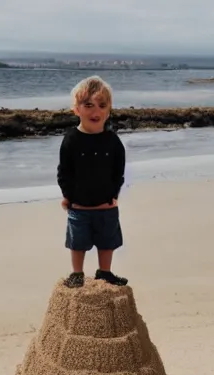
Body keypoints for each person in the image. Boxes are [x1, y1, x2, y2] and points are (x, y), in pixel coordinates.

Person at [56, 75, 128, 288]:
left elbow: (119, 171)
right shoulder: (71, 140)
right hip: (79, 206)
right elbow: (64, 171)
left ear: (109, 110)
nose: (95, 111)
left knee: (108, 242)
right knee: (77, 243)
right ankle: (77, 273)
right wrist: (67, 196)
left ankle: (104, 272)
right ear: (76, 109)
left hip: (106, 205)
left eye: (101, 105)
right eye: (88, 105)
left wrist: (114, 195)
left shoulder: (113, 141)